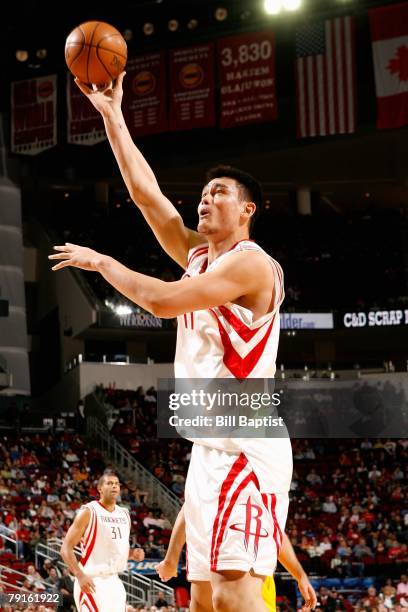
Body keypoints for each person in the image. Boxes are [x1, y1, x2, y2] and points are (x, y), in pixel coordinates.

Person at [50, 73, 293, 612]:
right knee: (201, 596)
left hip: (245, 443)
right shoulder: (200, 256)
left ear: (247, 209)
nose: (205, 201)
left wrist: (102, 263)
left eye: (220, 194)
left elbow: (160, 301)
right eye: (203, 194)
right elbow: (144, 194)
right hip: (210, 446)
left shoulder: (251, 264)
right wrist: (112, 115)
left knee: (235, 592)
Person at [156, 504, 317, 611]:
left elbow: (189, 507)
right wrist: (300, 575)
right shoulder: (250, 479)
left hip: (207, 574)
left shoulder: (204, 477)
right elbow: (275, 532)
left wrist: (170, 560)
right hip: (243, 575)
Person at [60, 469, 144, 611]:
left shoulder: (124, 514)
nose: (114, 486)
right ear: (100, 489)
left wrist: (132, 553)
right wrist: (79, 575)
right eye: (109, 483)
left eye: (117, 484)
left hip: (115, 581)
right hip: (91, 579)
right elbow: (65, 549)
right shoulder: (89, 511)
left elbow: (114, 549)